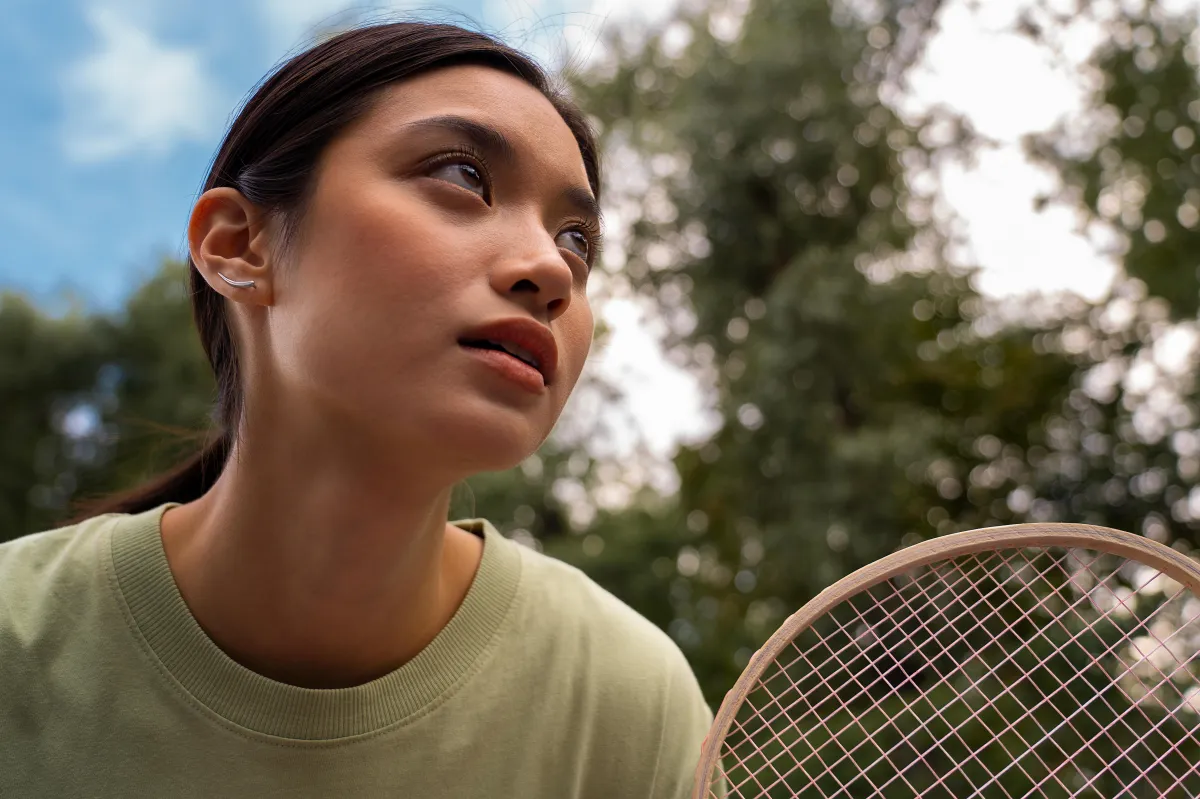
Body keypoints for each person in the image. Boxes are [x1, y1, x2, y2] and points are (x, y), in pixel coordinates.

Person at [0, 21, 713, 798]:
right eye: (463, 176)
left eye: (576, 240)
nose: (551, 269)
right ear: (239, 247)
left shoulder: (629, 707)